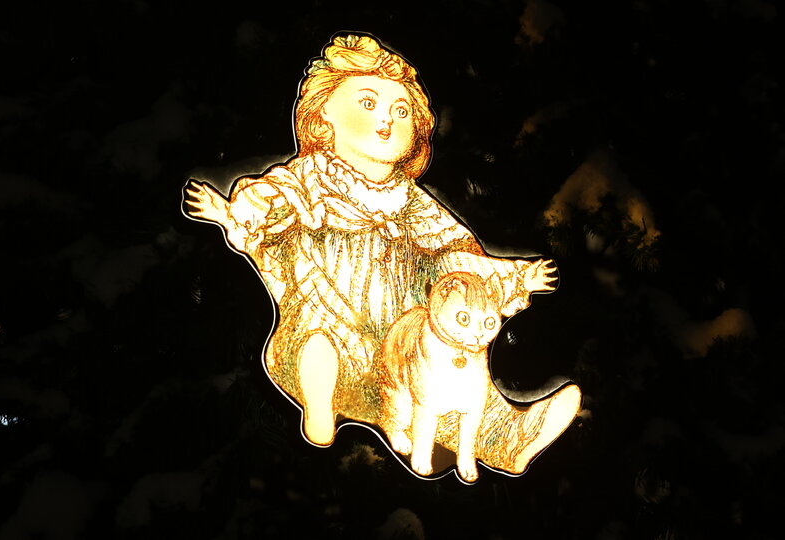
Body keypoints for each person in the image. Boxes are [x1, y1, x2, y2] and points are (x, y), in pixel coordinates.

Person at [184, 34, 580, 476]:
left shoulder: (411, 201)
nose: (387, 120)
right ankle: (320, 403)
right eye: (368, 103)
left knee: (446, 362)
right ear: (324, 113)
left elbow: (454, 254)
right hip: (328, 310)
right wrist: (229, 212)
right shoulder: (310, 177)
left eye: (401, 110)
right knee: (319, 336)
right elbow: (269, 203)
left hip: (398, 345)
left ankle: (509, 437)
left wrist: (515, 278)